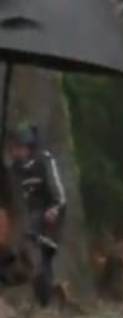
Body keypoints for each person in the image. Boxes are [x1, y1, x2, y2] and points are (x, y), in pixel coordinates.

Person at [6, 124, 66, 307]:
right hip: (24, 224)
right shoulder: (13, 170)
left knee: (42, 262)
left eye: (17, 147)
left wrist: (55, 208)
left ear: (27, 147)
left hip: (46, 221)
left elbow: (59, 194)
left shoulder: (44, 161)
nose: (14, 152)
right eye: (12, 148)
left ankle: (45, 304)